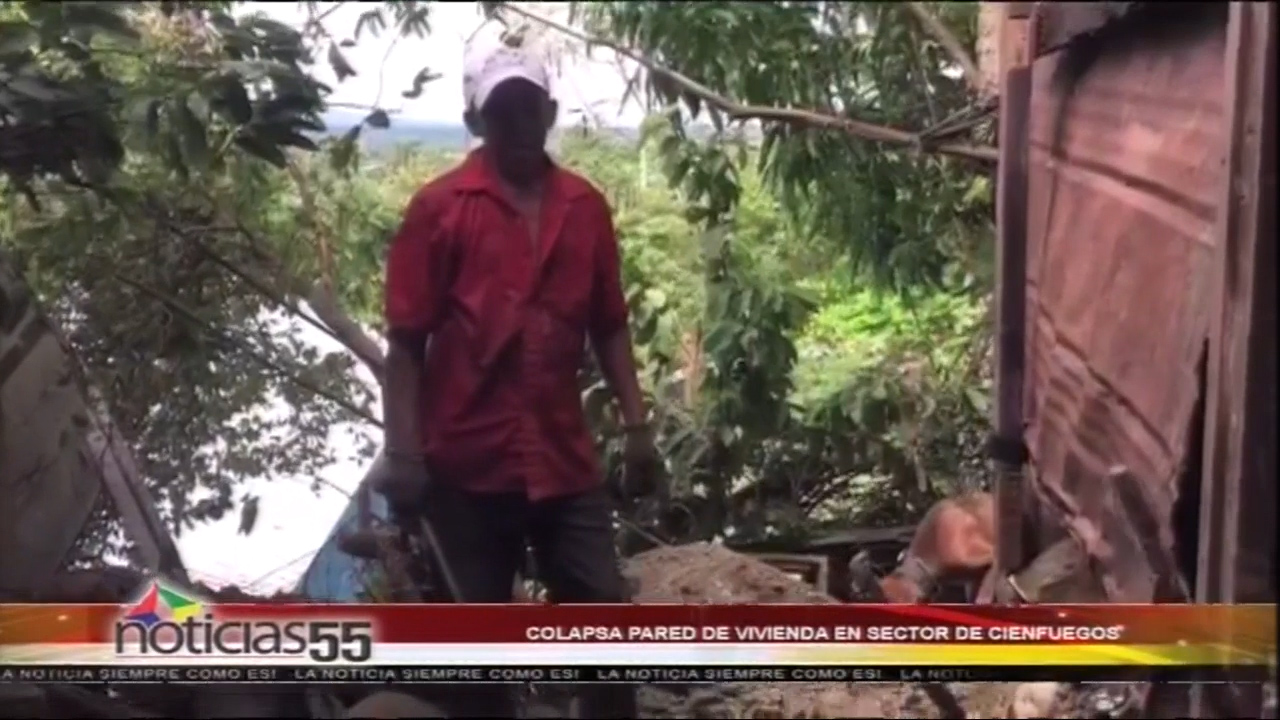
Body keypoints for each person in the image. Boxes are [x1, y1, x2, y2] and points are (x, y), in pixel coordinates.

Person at [373, 36, 656, 719]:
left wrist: (637, 425)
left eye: (529, 109)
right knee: (474, 652)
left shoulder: (585, 207)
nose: (519, 126)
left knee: (604, 626)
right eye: (502, 113)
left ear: (549, 111)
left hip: (562, 458)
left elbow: (609, 323)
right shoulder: (440, 210)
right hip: (467, 463)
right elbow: (407, 344)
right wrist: (404, 454)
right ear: (476, 123)